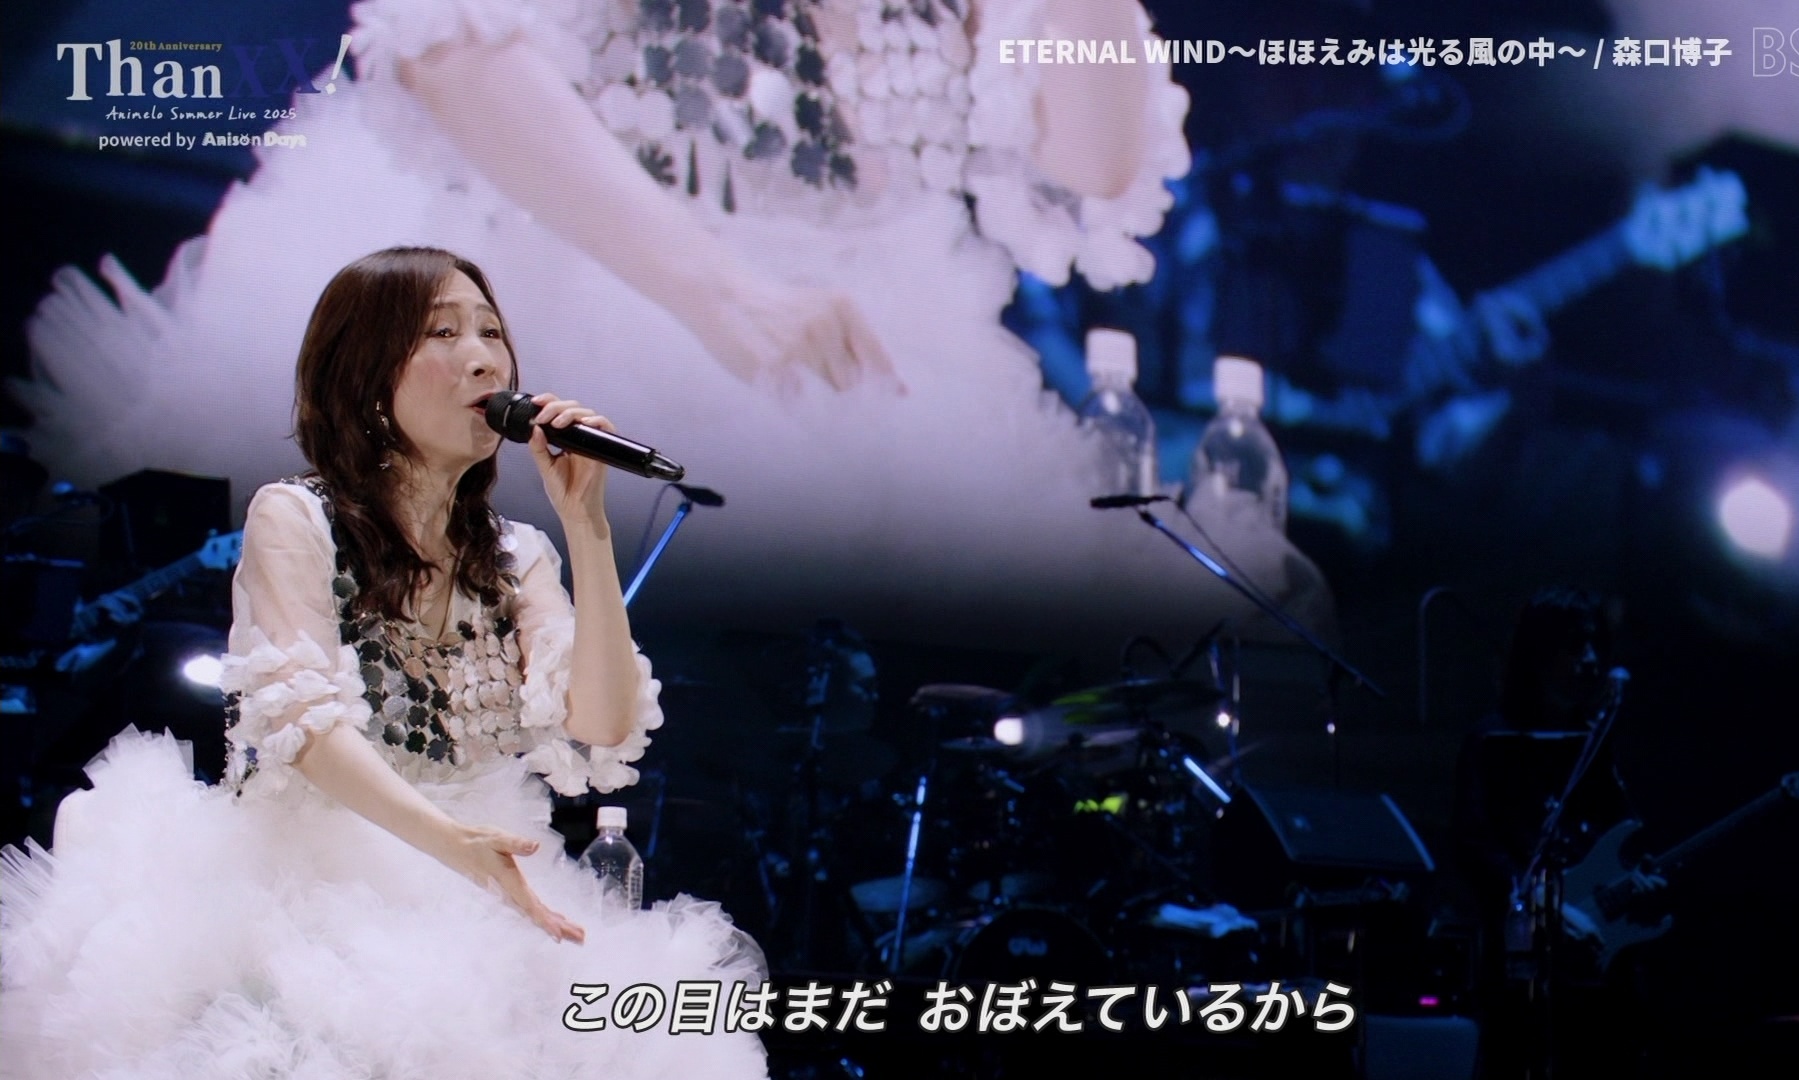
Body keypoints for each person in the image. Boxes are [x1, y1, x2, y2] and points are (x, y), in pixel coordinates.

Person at [19, 0, 1327, 658]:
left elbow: (1096, 160)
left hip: (869, 369)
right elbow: (451, 42)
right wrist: (718, 292)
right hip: (585, 298)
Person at [0, 248, 769, 1079]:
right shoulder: (294, 516)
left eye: (492, 333)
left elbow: (605, 724)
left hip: (490, 897)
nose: (485, 358)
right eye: (444, 332)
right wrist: (450, 844)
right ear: (366, 378)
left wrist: (588, 524)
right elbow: (305, 725)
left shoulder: (521, 555)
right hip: (306, 890)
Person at [1453, 586, 1665, 1079]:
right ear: (1538, 654)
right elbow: (1473, 842)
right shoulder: (1491, 741)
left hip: (1597, 968)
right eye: (1574, 646)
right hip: (1521, 967)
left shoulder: (1594, 743)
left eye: (1595, 645)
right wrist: (1543, 911)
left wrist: (1640, 882)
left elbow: (1621, 837)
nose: (1590, 660)